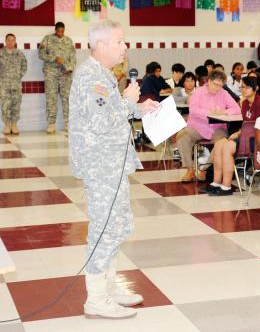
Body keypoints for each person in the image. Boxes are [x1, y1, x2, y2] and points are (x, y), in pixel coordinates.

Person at [69, 20, 159, 319]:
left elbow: (109, 111)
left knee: (117, 225)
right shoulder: (89, 77)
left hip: (112, 163)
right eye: (120, 41)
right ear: (102, 45)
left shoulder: (103, 75)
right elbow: (101, 122)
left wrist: (137, 108)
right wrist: (127, 102)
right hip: (101, 165)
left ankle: (109, 285)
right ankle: (96, 298)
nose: (125, 47)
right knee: (105, 228)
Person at [176, 69, 240, 182]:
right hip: (198, 127)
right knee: (181, 136)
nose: (217, 88)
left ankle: (204, 169)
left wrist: (224, 112)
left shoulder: (224, 93)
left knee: (222, 144)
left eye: (220, 85)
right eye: (215, 84)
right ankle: (190, 170)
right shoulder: (198, 92)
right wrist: (209, 113)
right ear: (209, 81)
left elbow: (236, 108)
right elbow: (193, 109)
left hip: (217, 128)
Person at [207, 77, 260, 196]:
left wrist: (240, 133)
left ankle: (227, 186)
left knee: (227, 147)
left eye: (247, 87)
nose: (243, 90)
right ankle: (216, 182)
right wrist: (238, 133)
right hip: (245, 136)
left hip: (257, 140)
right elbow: (246, 124)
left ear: (256, 89)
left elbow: (259, 127)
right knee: (219, 144)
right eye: (242, 87)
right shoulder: (244, 103)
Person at [38, 22, 76, 134]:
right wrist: (54, 58)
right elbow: (40, 54)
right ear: (55, 30)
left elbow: (73, 57)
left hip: (65, 74)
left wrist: (69, 69)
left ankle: (68, 123)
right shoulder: (47, 39)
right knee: (51, 98)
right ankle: (51, 124)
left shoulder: (68, 41)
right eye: (58, 31)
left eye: (62, 31)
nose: (60, 33)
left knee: (67, 99)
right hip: (51, 73)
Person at [0, 33, 27, 135]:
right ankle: (7, 125)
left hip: (16, 84)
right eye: (9, 40)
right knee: (5, 105)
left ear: (15, 41)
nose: (10, 42)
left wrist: (18, 76)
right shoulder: (1, 53)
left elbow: (24, 66)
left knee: (16, 105)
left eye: (13, 40)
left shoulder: (19, 53)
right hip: (4, 85)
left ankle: (14, 125)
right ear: (5, 41)